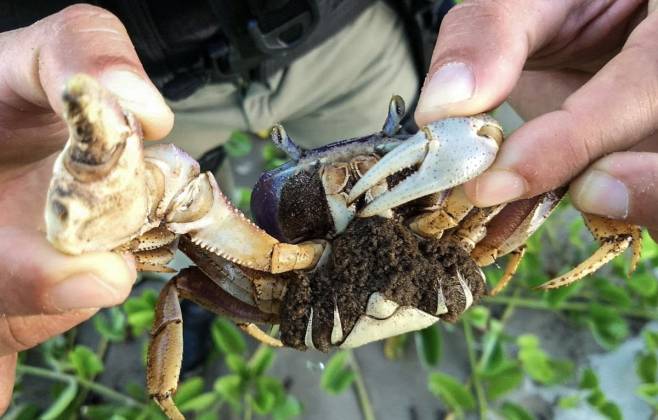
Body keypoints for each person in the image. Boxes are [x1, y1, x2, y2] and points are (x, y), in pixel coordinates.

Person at [0, 0, 656, 413]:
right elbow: (174, 198)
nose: (361, 191)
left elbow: (522, 160)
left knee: (518, 156)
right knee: (177, 225)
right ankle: (193, 336)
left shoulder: (456, 214)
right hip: (153, 77)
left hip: (344, 36)